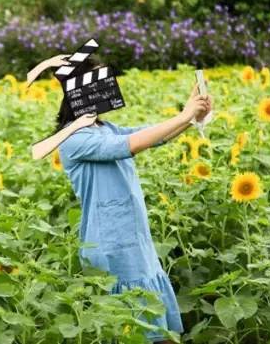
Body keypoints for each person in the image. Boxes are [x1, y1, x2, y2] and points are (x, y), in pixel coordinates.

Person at [57, 63, 213, 343]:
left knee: (157, 329)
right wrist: (183, 116)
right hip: (110, 244)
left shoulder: (104, 128)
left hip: (134, 238)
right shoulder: (72, 138)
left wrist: (190, 115)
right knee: (133, 330)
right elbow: (130, 144)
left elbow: (152, 136)